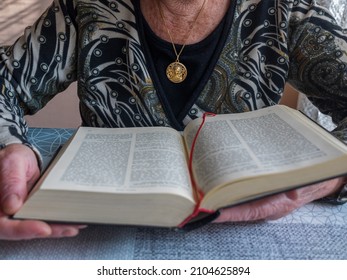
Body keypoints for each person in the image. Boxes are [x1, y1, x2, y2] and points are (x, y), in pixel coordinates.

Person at [0, 0, 346, 240]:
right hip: (102, 230)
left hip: (248, 241)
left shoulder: (287, 10)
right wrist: (11, 146)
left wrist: (329, 179)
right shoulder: (86, 7)